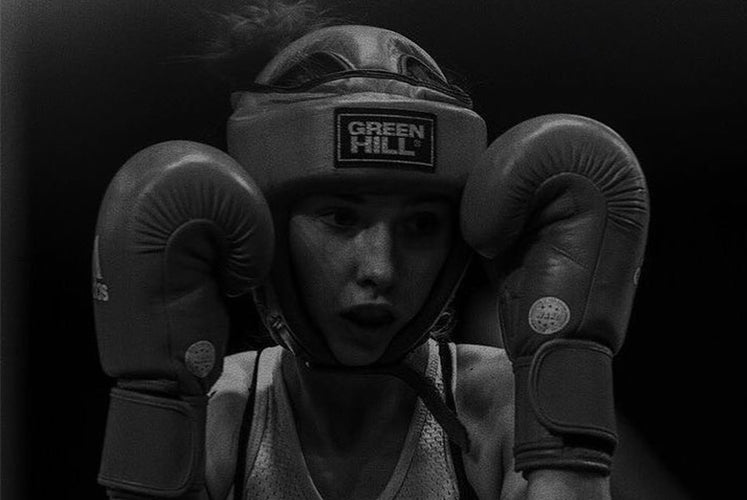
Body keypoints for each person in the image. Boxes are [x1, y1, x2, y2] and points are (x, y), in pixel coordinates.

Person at [92, 16, 649, 500]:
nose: (380, 268)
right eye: (340, 218)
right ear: (268, 224)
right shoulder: (222, 413)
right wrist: (156, 405)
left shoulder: (500, 408)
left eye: (421, 225)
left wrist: (568, 389)